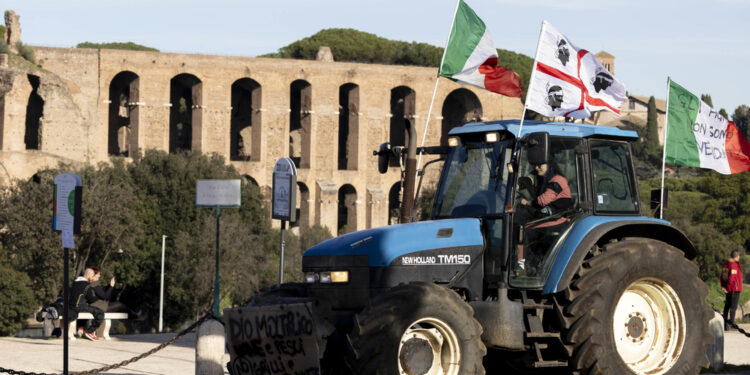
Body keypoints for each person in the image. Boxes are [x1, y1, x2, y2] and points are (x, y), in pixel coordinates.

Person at [516, 161, 573, 274]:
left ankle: (521, 267)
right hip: (549, 217)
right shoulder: (546, 178)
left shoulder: (557, 180)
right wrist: (521, 183)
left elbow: (543, 201)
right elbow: (530, 179)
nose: (537, 167)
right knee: (519, 226)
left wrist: (527, 203)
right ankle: (525, 265)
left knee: (523, 232)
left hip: (557, 218)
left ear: (549, 164)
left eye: (540, 164)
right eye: (535, 165)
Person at [69, 266, 114, 341]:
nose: (93, 277)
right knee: (100, 313)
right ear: (88, 275)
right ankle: (90, 332)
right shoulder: (87, 285)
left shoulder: (75, 282)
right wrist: (97, 297)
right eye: (93, 275)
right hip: (79, 307)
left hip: (71, 306)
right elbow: (91, 299)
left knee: (91, 311)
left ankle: (82, 329)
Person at [721, 250, 744, 330]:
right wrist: (730, 288)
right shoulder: (734, 264)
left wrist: (724, 286)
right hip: (734, 289)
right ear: (737, 256)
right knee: (733, 307)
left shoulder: (726, 263)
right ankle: (731, 324)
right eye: (739, 256)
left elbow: (723, 276)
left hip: (728, 288)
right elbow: (732, 278)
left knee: (727, 306)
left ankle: (725, 324)